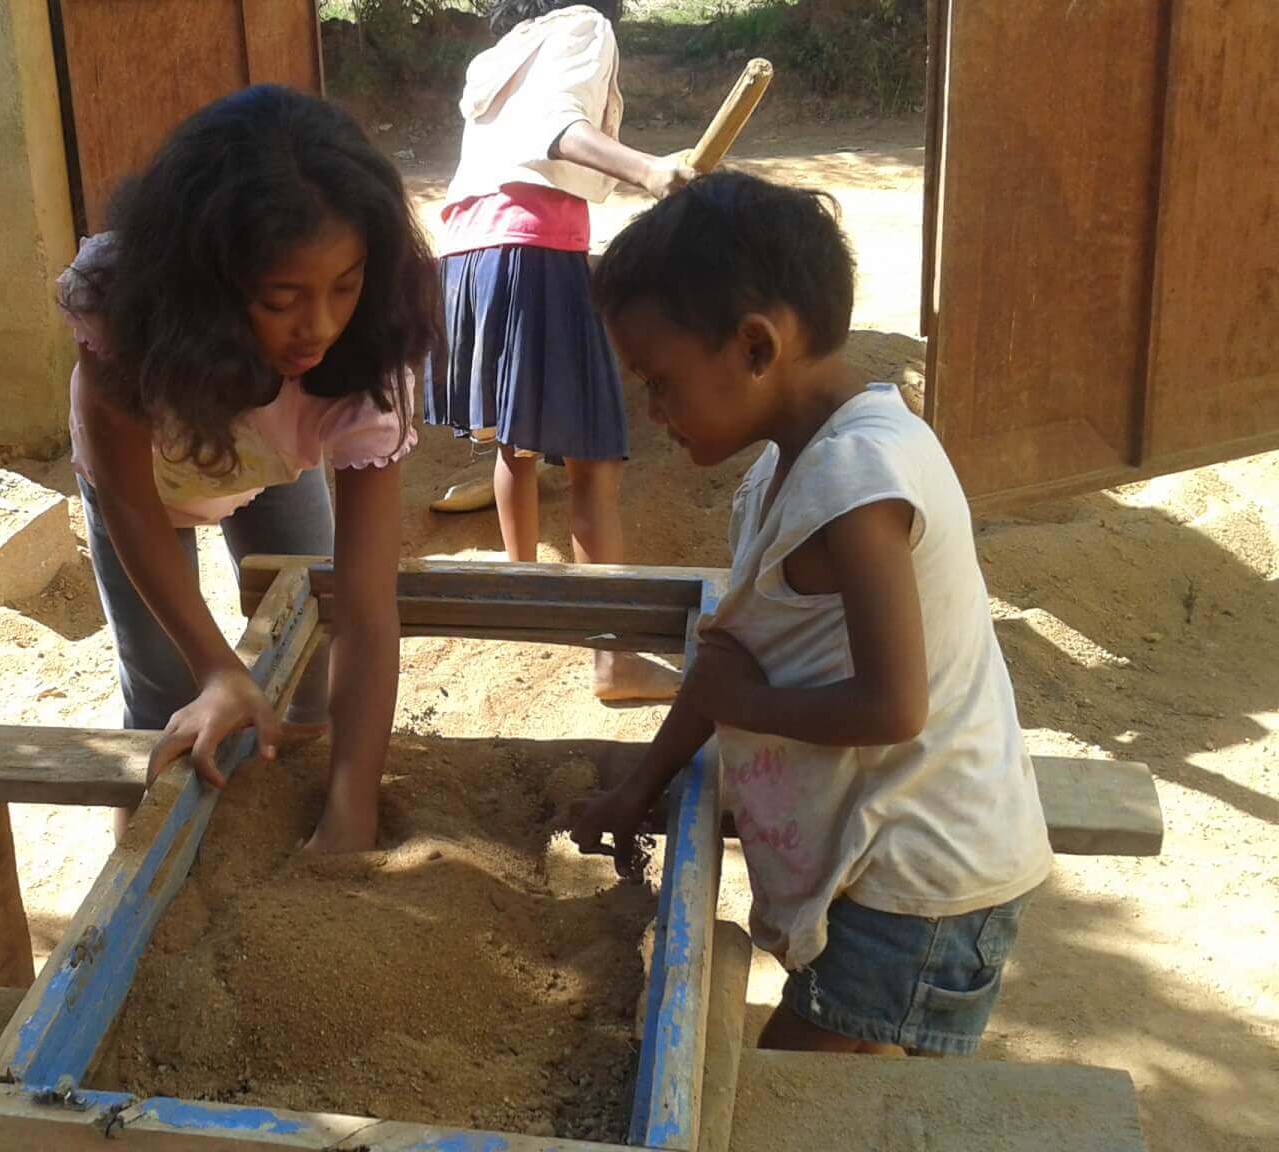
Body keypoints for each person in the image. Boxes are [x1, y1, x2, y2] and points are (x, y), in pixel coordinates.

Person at [570, 172, 1053, 1057]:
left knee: (803, 1093)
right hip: (886, 869)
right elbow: (727, 663)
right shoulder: (788, 469)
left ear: (757, 346)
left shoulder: (855, 479)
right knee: (865, 1093)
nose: (653, 412)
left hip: (920, 886)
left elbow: (892, 707)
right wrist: (641, 786)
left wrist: (748, 704)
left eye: (661, 382)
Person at [61, 86, 440, 853]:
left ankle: (286, 774)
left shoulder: (367, 360)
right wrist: (216, 668)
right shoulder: (124, 307)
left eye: (345, 285)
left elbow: (365, 610)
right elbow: (131, 503)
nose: (319, 326)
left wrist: (352, 813)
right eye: (281, 298)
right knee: (165, 690)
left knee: (313, 659)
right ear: (210, 285)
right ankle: (140, 870)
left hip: (270, 469)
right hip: (145, 487)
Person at [425, 0, 694, 701]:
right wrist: (649, 170)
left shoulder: (506, 49)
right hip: (534, 248)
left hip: (467, 254)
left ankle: (525, 598)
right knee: (593, 457)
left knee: (516, 441)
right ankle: (614, 659)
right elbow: (556, 127)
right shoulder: (584, 26)